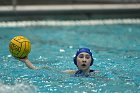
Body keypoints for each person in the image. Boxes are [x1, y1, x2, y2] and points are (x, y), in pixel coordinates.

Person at [20, 48, 99, 77]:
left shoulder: (97, 74)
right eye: (81, 57)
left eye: (87, 57)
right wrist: (26, 60)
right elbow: (39, 70)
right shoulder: (70, 73)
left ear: (91, 61)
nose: (84, 60)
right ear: (76, 61)